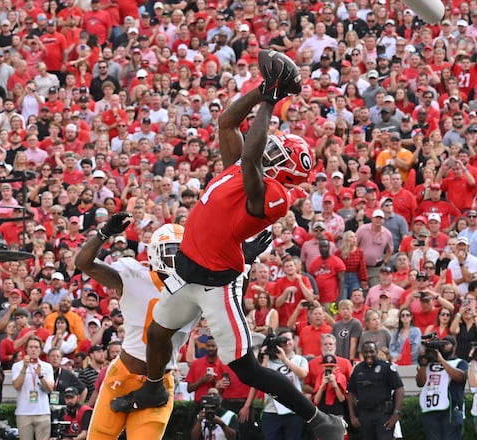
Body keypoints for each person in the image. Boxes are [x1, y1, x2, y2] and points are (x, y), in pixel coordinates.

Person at [111, 50, 345, 439]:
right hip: (187, 271)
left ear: (282, 172)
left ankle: (318, 420)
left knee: (246, 368)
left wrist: (272, 99)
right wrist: (260, 91)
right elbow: (227, 122)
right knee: (156, 334)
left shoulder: (271, 194)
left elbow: (253, 159)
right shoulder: (245, 165)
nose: (269, 147)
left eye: (277, 153)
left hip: (217, 284)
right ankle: (153, 389)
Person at [74, 221, 193, 438]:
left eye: (182, 252)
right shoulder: (134, 274)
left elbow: (234, 303)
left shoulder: (198, 289)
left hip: (159, 384)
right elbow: (84, 263)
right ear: (155, 253)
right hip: (123, 375)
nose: (177, 259)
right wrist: (103, 233)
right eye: (171, 251)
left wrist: (246, 263)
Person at [347, 342, 404, 440]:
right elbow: (351, 392)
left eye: (371, 352)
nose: (369, 355)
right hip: (364, 415)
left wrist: (396, 413)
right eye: (366, 352)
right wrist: (352, 416)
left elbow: (399, 388)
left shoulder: (386, 367)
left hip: (383, 415)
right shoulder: (358, 369)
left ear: (376, 352)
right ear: (362, 353)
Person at [415, 335, 467, 440]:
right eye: (441, 343)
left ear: (454, 347)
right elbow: (420, 383)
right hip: (430, 410)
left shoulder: (460, 362)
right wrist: (424, 364)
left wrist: (441, 360)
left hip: (451, 410)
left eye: (446, 344)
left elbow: (460, 377)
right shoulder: (429, 363)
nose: (444, 346)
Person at [11, 336, 54, 440]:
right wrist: (24, 368)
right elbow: (17, 386)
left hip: (42, 411)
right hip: (24, 412)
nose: (33, 350)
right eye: (30, 347)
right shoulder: (17, 366)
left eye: (36, 347)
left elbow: (50, 389)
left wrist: (40, 376)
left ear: (40, 349)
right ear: (26, 349)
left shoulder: (47, 366)